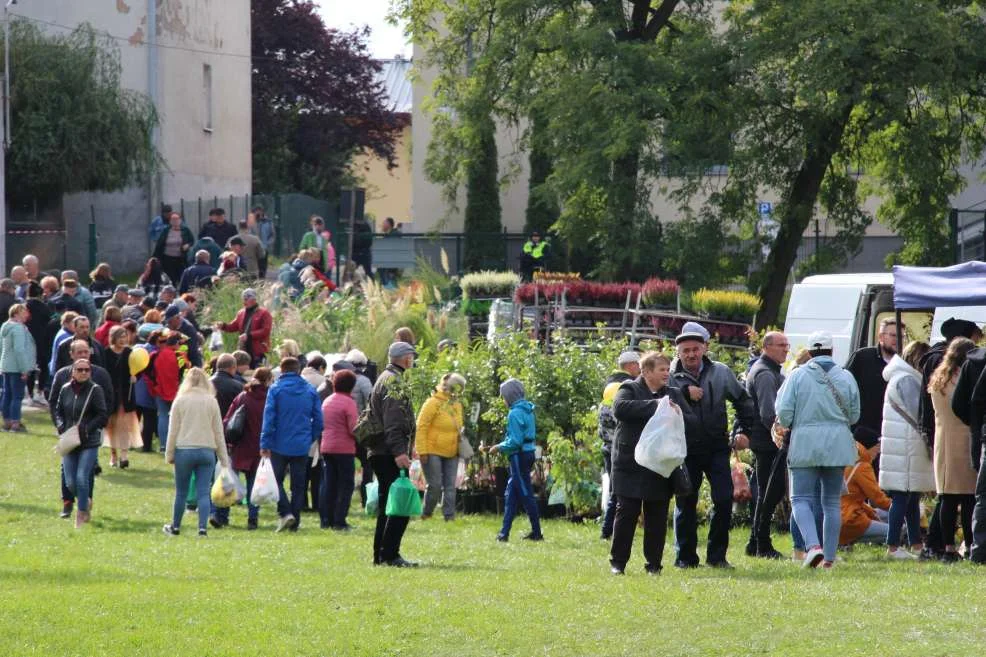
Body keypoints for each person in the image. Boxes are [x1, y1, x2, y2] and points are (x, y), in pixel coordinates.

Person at [670, 321, 756, 569]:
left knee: (723, 499)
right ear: (678, 352)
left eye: (695, 349)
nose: (691, 354)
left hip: (717, 447)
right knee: (686, 502)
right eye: (685, 350)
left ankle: (717, 557)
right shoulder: (671, 376)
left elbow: (743, 401)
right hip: (684, 450)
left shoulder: (720, 372)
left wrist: (743, 431)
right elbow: (659, 399)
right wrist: (684, 392)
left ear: (705, 348)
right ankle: (685, 558)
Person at [775, 331, 860, 569]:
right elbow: (854, 415)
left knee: (800, 498)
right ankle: (829, 559)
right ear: (832, 351)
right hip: (837, 443)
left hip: (804, 442)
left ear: (810, 352)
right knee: (831, 501)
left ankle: (813, 547)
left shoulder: (797, 376)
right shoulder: (846, 376)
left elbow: (784, 414)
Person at [609, 352, 695, 575]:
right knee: (626, 512)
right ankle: (618, 563)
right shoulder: (629, 388)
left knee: (657, 515)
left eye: (668, 369)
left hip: (660, 465)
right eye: (661, 369)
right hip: (630, 464)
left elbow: (690, 419)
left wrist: (676, 412)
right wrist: (657, 405)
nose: (667, 373)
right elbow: (620, 409)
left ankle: (654, 565)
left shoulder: (674, 393)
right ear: (646, 372)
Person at [879, 341, 933, 559]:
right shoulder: (908, 380)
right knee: (902, 497)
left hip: (902, 444)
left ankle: (915, 544)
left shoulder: (901, 377)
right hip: (906, 445)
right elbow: (918, 412)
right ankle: (892, 545)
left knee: (910, 497)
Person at [163, 368, 231, 537]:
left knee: (181, 492)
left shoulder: (180, 400)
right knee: (203, 492)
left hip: (184, 450)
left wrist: (169, 454)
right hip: (207, 451)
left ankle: (176, 527)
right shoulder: (211, 401)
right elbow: (218, 432)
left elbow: (173, 430)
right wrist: (224, 459)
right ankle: (202, 528)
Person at [367, 341, 418, 565]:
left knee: (388, 504)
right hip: (389, 452)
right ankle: (390, 554)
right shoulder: (393, 382)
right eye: (411, 356)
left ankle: (381, 555)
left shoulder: (384, 378)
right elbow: (393, 423)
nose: (413, 360)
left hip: (381, 450)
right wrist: (400, 452)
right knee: (399, 504)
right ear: (405, 358)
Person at [927, 337, 978, 561]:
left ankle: (947, 547)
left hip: (943, 440)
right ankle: (967, 545)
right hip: (963, 439)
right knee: (967, 498)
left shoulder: (938, 378)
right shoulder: (962, 379)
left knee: (947, 497)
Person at [260, 357, 323, 532]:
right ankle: (294, 521)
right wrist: (310, 437)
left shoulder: (275, 390)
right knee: (298, 485)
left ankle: (285, 512)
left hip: (278, 443)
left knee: (276, 480)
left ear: (282, 369)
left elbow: (269, 418)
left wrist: (264, 442)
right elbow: (318, 419)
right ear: (298, 370)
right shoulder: (310, 390)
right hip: (301, 444)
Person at [744, 331, 790, 559]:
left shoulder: (769, 371)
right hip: (767, 443)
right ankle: (762, 544)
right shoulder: (764, 373)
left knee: (765, 491)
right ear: (766, 347)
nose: (786, 349)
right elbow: (768, 413)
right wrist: (780, 436)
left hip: (765, 441)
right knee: (768, 492)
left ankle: (755, 542)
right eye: (781, 345)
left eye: (787, 345)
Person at [55, 358, 109, 529]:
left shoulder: (95, 390)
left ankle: (82, 512)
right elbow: (58, 411)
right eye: (80, 370)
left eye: (87, 370)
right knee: (70, 482)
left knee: (81, 478)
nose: (84, 372)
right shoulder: (65, 390)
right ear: (73, 372)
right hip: (70, 441)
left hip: (89, 441)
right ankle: (86, 500)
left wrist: (87, 428)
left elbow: (102, 415)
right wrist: (61, 425)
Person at [490, 378, 543, 543]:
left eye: (504, 397)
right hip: (528, 454)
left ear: (510, 396)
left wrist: (498, 447)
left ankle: (537, 532)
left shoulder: (514, 413)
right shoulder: (528, 410)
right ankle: (503, 534)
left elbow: (515, 441)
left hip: (518, 456)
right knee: (511, 495)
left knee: (526, 494)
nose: (503, 400)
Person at [221, 367, 271, 530]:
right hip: (259, 448)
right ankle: (252, 519)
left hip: (239, 446)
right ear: (269, 380)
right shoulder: (270, 399)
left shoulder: (243, 397)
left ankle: (222, 515)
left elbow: (228, 420)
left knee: (230, 482)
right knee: (253, 485)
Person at [599, 350, 641, 540]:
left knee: (615, 491)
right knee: (618, 492)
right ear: (631, 365)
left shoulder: (610, 385)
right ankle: (608, 530)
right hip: (618, 449)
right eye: (638, 365)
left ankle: (610, 529)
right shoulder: (624, 386)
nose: (640, 369)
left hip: (607, 447)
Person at [416, 373, 467, 521]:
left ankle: (449, 516)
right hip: (432, 450)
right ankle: (427, 513)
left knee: (450, 486)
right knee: (435, 485)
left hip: (452, 451)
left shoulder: (457, 405)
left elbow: (459, 426)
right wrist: (422, 451)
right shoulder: (432, 403)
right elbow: (421, 427)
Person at [846, 317, 903, 438]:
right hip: (863, 432)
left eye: (901, 336)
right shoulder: (862, 357)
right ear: (881, 337)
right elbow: (844, 387)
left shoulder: (905, 364)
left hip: (892, 432)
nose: (898, 340)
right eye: (893, 335)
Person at [206, 353, 245, 528]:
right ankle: (221, 513)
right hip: (229, 435)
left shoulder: (206, 384)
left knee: (208, 475)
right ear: (233, 368)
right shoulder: (238, 386)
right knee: (225, 475)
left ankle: (209, 509)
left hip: (206, 434)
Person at [319, 369, 359, 530]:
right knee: (346, 485)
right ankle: (339, 520)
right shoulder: (349, 403)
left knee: (329, 484)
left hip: (327, 447)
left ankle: (325, 519)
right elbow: (353, 428)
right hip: (344, 449)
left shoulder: (327, 400)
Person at [101, 325, 141, 468]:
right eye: (120, 337)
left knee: (124, 426)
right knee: (111, 426)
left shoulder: (130, 353)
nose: (123, 340)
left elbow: (138, 368)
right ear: (113, 338)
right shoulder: (106, 353)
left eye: (125, 337)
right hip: (111, 395)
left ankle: (124, 456)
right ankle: (113, 455)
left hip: (126, 395)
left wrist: (136, 377)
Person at [839, 441, 891, 547]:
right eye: (876, 447)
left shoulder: (847, 462)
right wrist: (904, 509)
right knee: (898, 531)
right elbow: (878, 500)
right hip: (851, 520)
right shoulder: (863, 467)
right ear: (867, 449)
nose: (878, 451)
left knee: (883, 515)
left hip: (838, 516)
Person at [0, 304, 36, 432]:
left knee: (7, 394)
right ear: (16, 314)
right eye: (24, 312)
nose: (26, 314)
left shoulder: (5, 327)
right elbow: (19, 350)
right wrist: (24, 369)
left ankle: (6, 422)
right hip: (17, 367)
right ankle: (15, 423)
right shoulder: (18, 328)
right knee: (17, 396)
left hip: (6, 365)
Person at [215, 288, 272, 369]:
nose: (244, 302)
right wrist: (223, 326)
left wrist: (249, 335)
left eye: (246, 299)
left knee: (259, 372)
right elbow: (233, 326)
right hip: (244, 350)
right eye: (243, 299)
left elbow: (266, 330)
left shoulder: (264, 313)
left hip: (259, 351)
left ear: (254, 299)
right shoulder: (241, 313)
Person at [147, 329, 181, 453]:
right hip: (177, 391)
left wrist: (154, 386)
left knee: (162, 416)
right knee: (177, 418)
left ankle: (163, 445)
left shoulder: (155, 355)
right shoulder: (178, 355)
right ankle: (176, 444)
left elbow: (148, 373)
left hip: (159, 390)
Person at [24, 282, 52, 400]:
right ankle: (40, 390)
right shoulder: (44, 307)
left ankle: (29, 393)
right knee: (43, 366)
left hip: (27, 340)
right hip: (42, 340)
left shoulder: (24, 306)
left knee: (30, 367)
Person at [153, 212, 195, 285]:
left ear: (180, 220)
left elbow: (192, 240)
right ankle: (171, 290)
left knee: (181, 276)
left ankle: (180, 290)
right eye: (173, 219)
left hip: (181, 258)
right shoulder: (166, 230)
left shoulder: (185, 230)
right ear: (170, 221)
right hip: (167, 258)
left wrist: (187, 245)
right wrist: (155, 257)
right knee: (170, 277)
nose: (175, 221)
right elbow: (160, 243)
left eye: (176, 219)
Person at [251, 206, 276, 278]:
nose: (258, 213)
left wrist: (268, 243)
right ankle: (253, 281)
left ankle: (262, 281)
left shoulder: (268, 222)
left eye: (259, 211)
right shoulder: (251, 222)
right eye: (256, 211)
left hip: (264, 247)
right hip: (253, 247)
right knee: (253, 265)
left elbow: (272, 235)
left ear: (262, 212)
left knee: (262, 265)